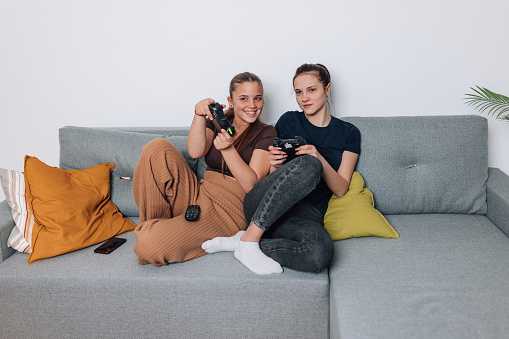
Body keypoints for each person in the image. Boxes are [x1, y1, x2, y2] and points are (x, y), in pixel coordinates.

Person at [202, 63, 361, 274]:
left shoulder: (349, 133)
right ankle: (250, 239)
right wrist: (275, 165)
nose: (304, 97)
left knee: (318, 254)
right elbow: (264, 179)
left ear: (327, 89)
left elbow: (341, 189)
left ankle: (244, 240)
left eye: (311, 90)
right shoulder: (288, 120)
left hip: (305, 215)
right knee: (308, 164)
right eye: (298, 92)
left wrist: (318, 157)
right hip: (263, 203)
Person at [132, 71, 279, 267]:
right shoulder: (218, 120)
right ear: (231, 101)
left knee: (148, 246)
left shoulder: (266, 132)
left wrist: (228, 149)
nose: (252, 105)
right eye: (244, 98)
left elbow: (251, 184)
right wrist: (199, 115)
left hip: (229, 210)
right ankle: (161, 228)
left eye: (257, 98)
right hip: (200, 192)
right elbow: (195, 151)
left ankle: (156, 234)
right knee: (156, 148)